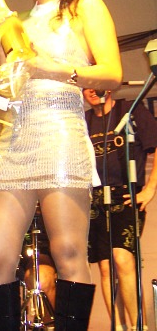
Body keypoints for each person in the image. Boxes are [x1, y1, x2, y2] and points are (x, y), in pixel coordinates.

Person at [0, 0, 122, 331]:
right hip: (15, 139)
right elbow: (10, 86)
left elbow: (112, 72)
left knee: (69, 254)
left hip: (61, 134)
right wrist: (0, 41)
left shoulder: (84, 5)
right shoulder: (18, 21)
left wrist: (55, 68)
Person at [83, 88, 157, 330]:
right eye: (86, 86)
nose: (91, 90)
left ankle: (138, 326)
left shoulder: (130, 110)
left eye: (96, 84)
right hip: (94, 198)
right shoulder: (83, 121)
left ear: (109, 85)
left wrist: (150, 189)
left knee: (122, 258)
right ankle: (118, 326)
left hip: (125, 195)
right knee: (105, 267)